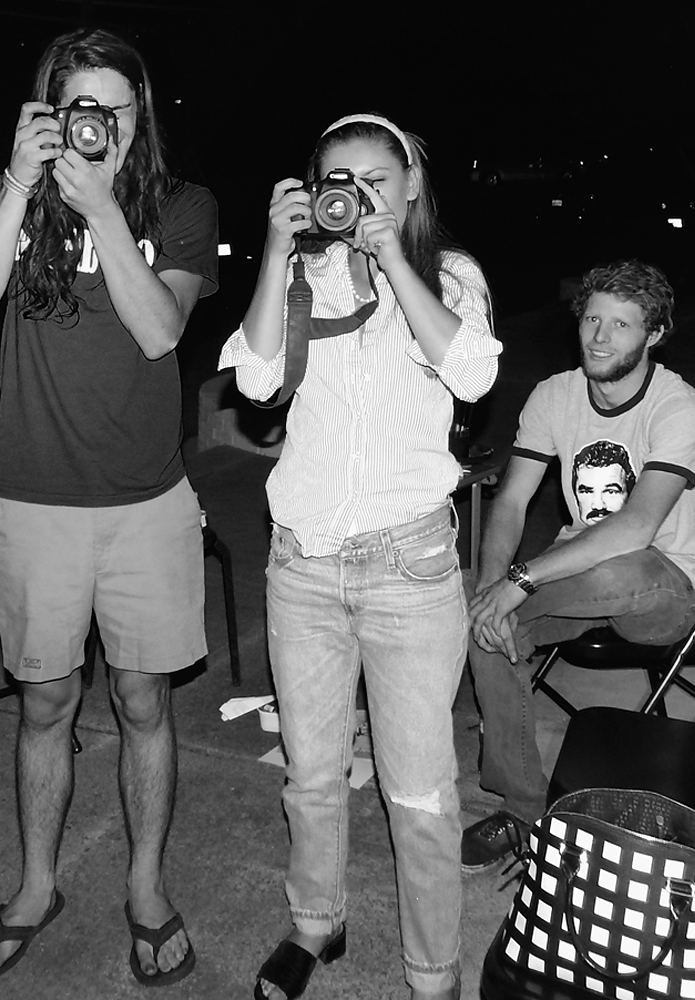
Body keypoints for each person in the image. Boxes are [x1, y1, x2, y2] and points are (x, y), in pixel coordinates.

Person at [0, 27, 218, 985]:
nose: (97, 122)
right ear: (52, 114)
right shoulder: (14, 197)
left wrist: (102, 209)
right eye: (79, 106)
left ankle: (145, 888)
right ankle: (36, 887)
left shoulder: (182, 205)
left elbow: (161, 331)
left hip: (148, 502)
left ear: (140, 115)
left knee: (144, 702)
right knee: (45, 704)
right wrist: (19, 185)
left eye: (114, 105)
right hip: (34, 504)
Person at [219, 114, 500, 1000]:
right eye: (338, 179)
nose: (356, 193)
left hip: (408, 567)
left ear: (410, 186)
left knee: (420, 794)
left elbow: (473, 374)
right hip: (302, 566)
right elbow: (256, 383)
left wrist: (391, 259)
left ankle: (433, 974)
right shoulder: (303, 275)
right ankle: (316, 922)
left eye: (375, 178)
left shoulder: (448, 274)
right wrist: (275, 250)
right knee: (311, 776)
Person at [462, 259, 695, 873]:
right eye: (592, 319)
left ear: (655, 334)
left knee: (607, 569)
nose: (600, 337)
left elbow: (635, 528)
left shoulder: (680, 408)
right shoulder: (555, 395)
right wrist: (494, 586)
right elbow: (512, 501)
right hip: (577, 575)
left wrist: (521, 581)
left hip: (661, 587)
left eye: (622, 325)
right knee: (481, 614)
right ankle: (525, 811)